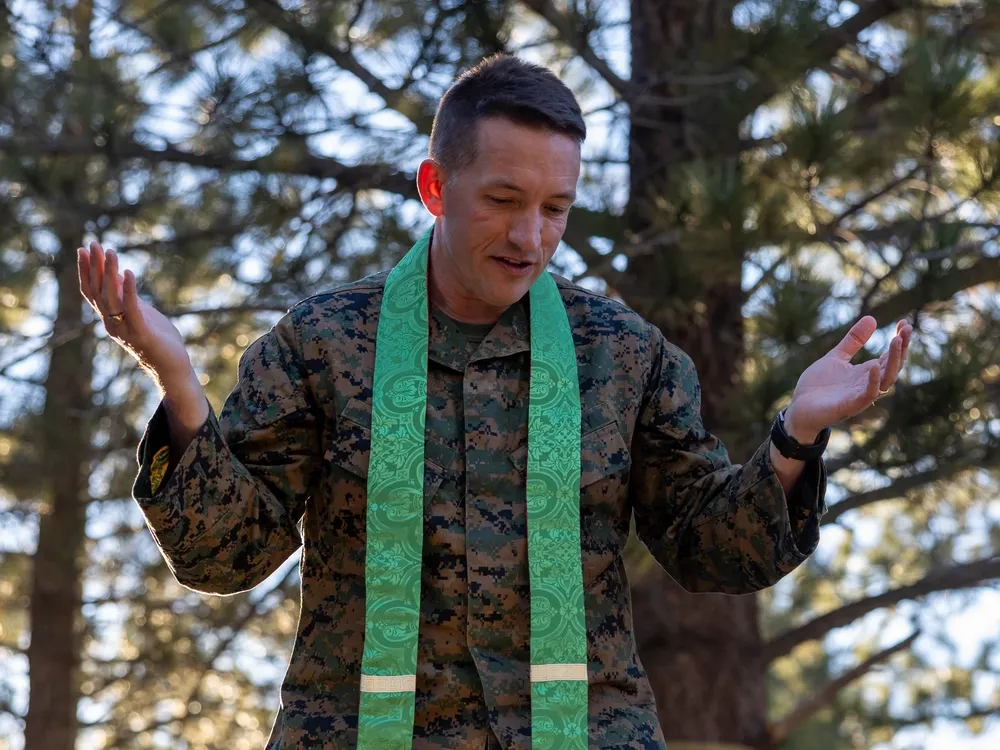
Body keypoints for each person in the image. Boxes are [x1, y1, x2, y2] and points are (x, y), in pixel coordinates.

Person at [77, 54, 912, 750]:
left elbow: (711, 547)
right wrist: (178, 385)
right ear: (435, 186)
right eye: (505, 202)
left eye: (556, 210)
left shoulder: (625, 356)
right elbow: (227, 557)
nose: (530, 239)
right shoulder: (322, 343)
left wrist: (796, 433)